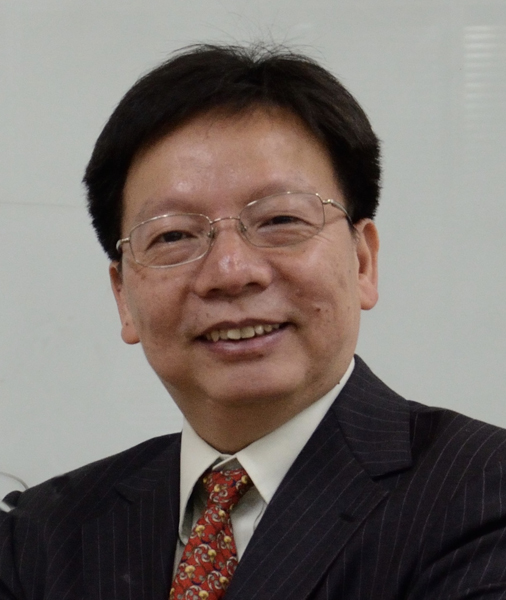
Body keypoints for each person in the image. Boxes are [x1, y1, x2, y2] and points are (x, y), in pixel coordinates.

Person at [1, 43, 506, 600]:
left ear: (363, 261)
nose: (231, 272)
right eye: (174, 235)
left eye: (280, 219)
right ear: (123, 296)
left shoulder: (482, 493)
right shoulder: (41, 537)